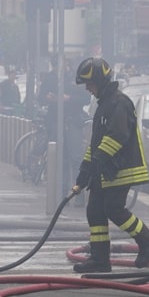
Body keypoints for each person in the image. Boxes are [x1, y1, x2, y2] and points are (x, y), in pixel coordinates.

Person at [71, 58, 149, 273]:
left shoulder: (119, 102)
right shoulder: (104, 104)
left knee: (113, 209)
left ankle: (148, 241)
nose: (87, 89)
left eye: (89, 84)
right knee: (94, 211)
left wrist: (97, 162)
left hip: (121, 169)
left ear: (100, 81)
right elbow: (97, 141)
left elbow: (117, 136)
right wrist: (84, 171)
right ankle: (100, 259)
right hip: (106, 170)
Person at [38, 57, 91, 195]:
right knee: (60, 158)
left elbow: (86, 99)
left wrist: (69, 98)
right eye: (56, 66)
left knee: (75, 158)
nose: (59, 68)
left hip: (72, 121)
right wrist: (47, 97)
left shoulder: (77, 78)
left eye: (62, 64)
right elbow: (40, 97)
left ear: (68, 63)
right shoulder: (50, 78)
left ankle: (78, 192)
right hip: (56, 121)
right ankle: (62, 193)